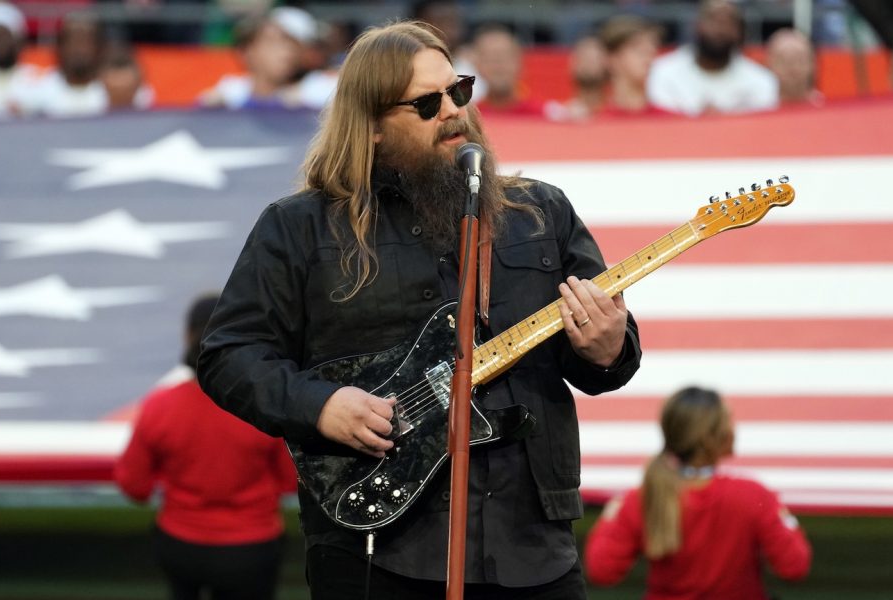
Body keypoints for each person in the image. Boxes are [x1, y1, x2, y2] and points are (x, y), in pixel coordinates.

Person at [197, 20, 641, 600]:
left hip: (529, 543)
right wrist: (320, 405)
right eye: (427, 103)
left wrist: (608, 348)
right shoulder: (300, 226)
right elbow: (228, 354)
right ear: (373, 127)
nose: (453, 111)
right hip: (375, 547)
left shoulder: (541, 211)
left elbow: (605, 359)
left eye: (458, 90)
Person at [116, 293, 298, 600]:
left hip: (181, 546)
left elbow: (134, 485)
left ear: (187, 336)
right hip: (252, 549)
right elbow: (289, 481)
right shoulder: (264, 404)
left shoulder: (159, 406)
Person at [584, 386, 811, 599]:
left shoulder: (642, 498)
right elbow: (794, 565)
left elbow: (602, 569)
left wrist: (609, 518)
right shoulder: (752, 495)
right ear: (721, 436)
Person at [646, 0, 778, 115]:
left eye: (728, 22)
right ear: (696, 26)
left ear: (740, 32)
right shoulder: (661, 72)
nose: (720, 29)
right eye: (713, 20)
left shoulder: (761, 79)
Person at [198, 7, 335, 110]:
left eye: (293, 45)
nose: (287, 52)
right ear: (247, 50)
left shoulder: (320, 89)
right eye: (273, 42)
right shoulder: (229, 91)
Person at [24, 13, 108, 118]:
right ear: (59, 46)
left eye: (85, 41)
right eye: (72, 40)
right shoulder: (37, 91)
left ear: (99, 48)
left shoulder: (114, 91)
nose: (78, 48)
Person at [471, 23, 543, 115]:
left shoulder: (545, 114)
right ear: (477, 65)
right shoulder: (471, 117)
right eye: (491, 59)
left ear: (520, 63)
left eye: (505, 57)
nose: (499, 66)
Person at [599, 16, 664, 115]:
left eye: (650, 50)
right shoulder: (595, 123)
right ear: (612, 59)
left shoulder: (673, 121)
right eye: (638, 49)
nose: (647, 57)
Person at [767, 27, 824, 106]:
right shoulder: (758, 107)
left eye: (800, 60)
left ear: (813, 64)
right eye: (784, 61)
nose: (793, 67)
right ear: (769, 64)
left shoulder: (826, 107)